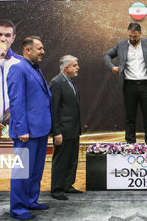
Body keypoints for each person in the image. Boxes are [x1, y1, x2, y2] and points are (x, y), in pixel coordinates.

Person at [7, 36, 51, 220]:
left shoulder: (36, 69)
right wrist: (21, 129)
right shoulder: (18, 68)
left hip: (39, 131)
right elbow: (16, 102)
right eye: (39, 48)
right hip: (26, 132)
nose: (43, 52)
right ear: (27, 49)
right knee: (22, 171)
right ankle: (18, 208)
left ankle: (31, 201)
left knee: (35, 170)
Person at [104, 23, 147, 143]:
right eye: (130, 36)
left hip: (146, 85)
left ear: (141, 33)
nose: (132, 38)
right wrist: (112, 67)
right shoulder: (121, 44)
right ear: (127, 32)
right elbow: (107, 55)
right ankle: (130, 144)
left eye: (135, 36)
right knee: (130, 117)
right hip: (129, 85)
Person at [50, 55, 82, 200]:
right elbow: (53, 110)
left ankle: (67, 185)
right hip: (62, 131)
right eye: (75, 65)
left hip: (73, 130)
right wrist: (56, 132)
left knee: (72, 159)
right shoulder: (56, 83)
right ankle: (56, 189)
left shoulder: (70, 82)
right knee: (61, 161)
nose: (77, 68)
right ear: (66, 68)